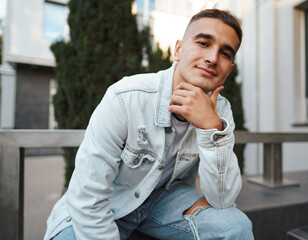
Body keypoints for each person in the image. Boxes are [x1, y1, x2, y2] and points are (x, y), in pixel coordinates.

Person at [45, 9, 254, 240]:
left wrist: (211, 128)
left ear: (229, 69)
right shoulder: (126, 98)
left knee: (235, 227)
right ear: (178, 50)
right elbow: (87, 197)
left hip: (164, 202)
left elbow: (223, 200)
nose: (213, 58)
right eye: (204, 43)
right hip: (109, 201)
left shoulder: (221, 111)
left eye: (225, 53)